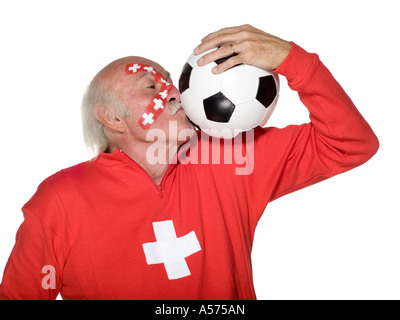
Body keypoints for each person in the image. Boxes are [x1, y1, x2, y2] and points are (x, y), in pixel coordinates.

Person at [0, 25, 379, 300]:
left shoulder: (232, 156)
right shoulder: (60, 199)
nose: (173, 91)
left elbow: (350, 144)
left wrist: (293, 61)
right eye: (152, 86)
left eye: (169, 79)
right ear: (112, 119)